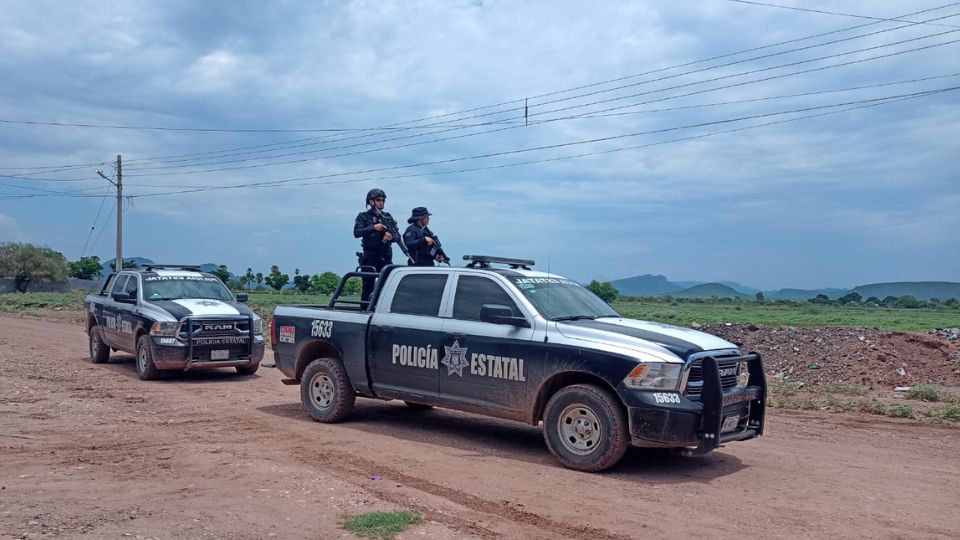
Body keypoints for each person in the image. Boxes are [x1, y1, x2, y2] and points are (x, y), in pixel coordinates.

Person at [353, 188, 396, 305]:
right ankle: (364, 310)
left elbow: (397, 236)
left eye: (383, 200)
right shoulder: (363, 216)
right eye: (378, 200)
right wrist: (374, 227)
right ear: (371, 202)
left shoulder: (388, 217)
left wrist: (391, 236)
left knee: (387, 286)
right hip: (370, 256)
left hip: (385, 255)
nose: (381, 202)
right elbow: (357, 232)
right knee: (368, 286)